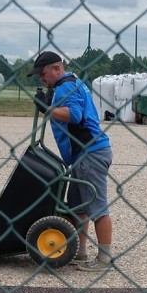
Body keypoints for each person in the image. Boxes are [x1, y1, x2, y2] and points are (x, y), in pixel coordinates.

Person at [29, 51, 114, 272]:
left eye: (43, 73)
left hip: (90, 153)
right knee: (78, 206)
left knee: (96, 206)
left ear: (56, 69)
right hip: (84, 154)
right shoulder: (70, 84)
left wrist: (47, 108)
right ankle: (80, 253)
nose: (41, 78)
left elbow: (74, 115)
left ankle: (104, 259)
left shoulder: (66, 85)